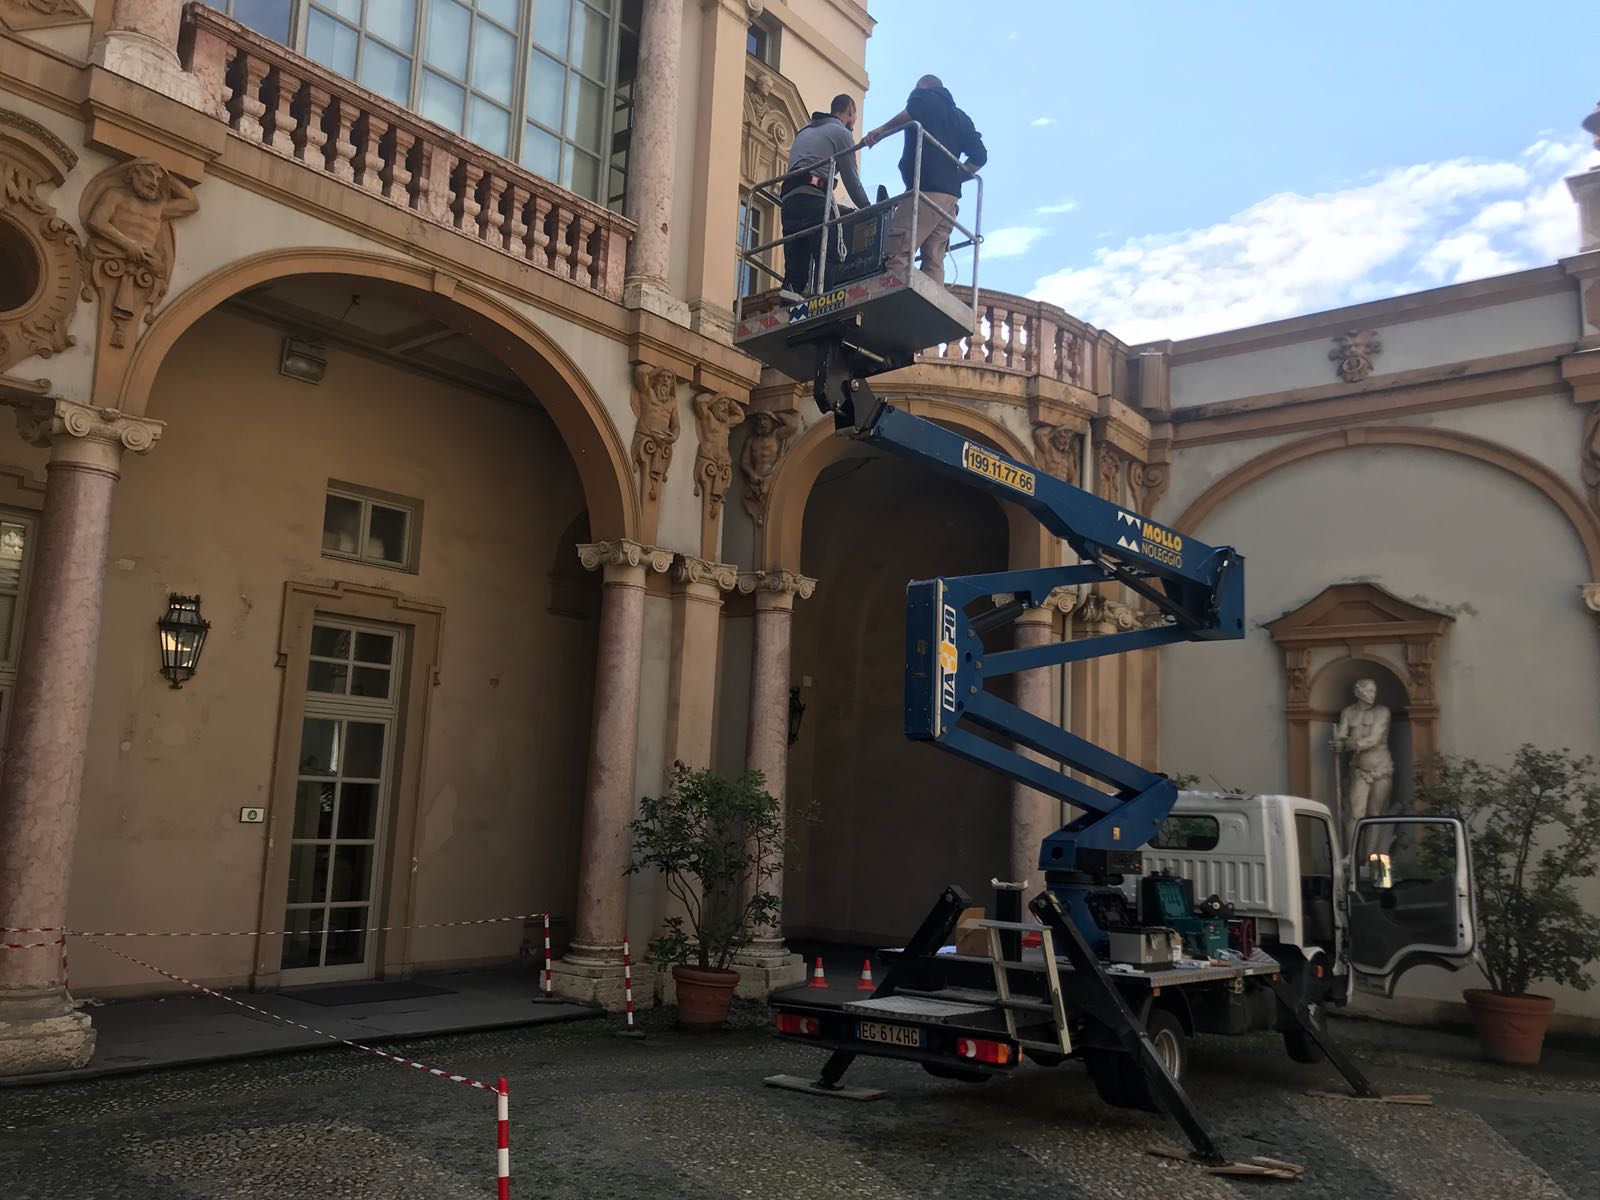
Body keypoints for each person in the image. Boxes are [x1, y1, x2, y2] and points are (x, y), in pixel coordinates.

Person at [864, 76, 987, 282]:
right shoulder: (961, 118)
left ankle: (895, 294)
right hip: (949, 200)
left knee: (898, 252)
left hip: (924, 192)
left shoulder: (924, 97)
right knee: (934, 259)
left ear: (921, 86)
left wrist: (880, 131)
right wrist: (954, 178)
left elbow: (912, 113)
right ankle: (932, 300)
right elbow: (980, 157)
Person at [779, 94, 870, 300]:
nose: (853, 124)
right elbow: (852, 181)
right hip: (814, 196)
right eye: (854, 118)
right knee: (832, 248)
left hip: (789, 199)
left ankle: (790, 291)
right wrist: (868, 208)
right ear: (850, 112)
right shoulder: (841, 133)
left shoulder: (804, 131)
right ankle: (825, 296)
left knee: (797, 251)